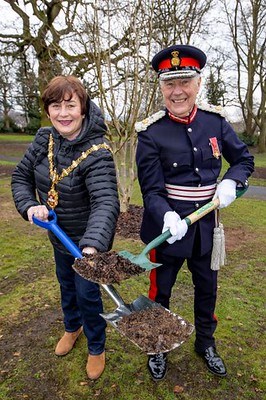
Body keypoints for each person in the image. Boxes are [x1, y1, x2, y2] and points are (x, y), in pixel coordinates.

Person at [135, 45, 254, 381]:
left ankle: (206, 344)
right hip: (168, 228)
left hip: (206, 228)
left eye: (185, 81)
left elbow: (244, 160)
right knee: (161, 291)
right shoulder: (150, 133)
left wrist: (231, 181)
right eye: (170, 84)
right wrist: (167, 216)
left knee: (208, 290)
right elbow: (152, 190)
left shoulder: (215, 122)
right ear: (161, 88)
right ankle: (157, 345)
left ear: (198, 83)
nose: (178, 91)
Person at [11, 75, 120, 380]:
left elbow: (106, 202)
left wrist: (91, 247)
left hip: (88, 244)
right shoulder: (43, 139)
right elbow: (21, 178)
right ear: (48, 110)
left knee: (88, 293)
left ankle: (96, 346)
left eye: (70, 105)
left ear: (83, 108)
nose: (63, 113)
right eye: (56, 105)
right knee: (66, 286)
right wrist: (29, 205)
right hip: (59, 238)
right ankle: (73, 328)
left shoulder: (98, 152)